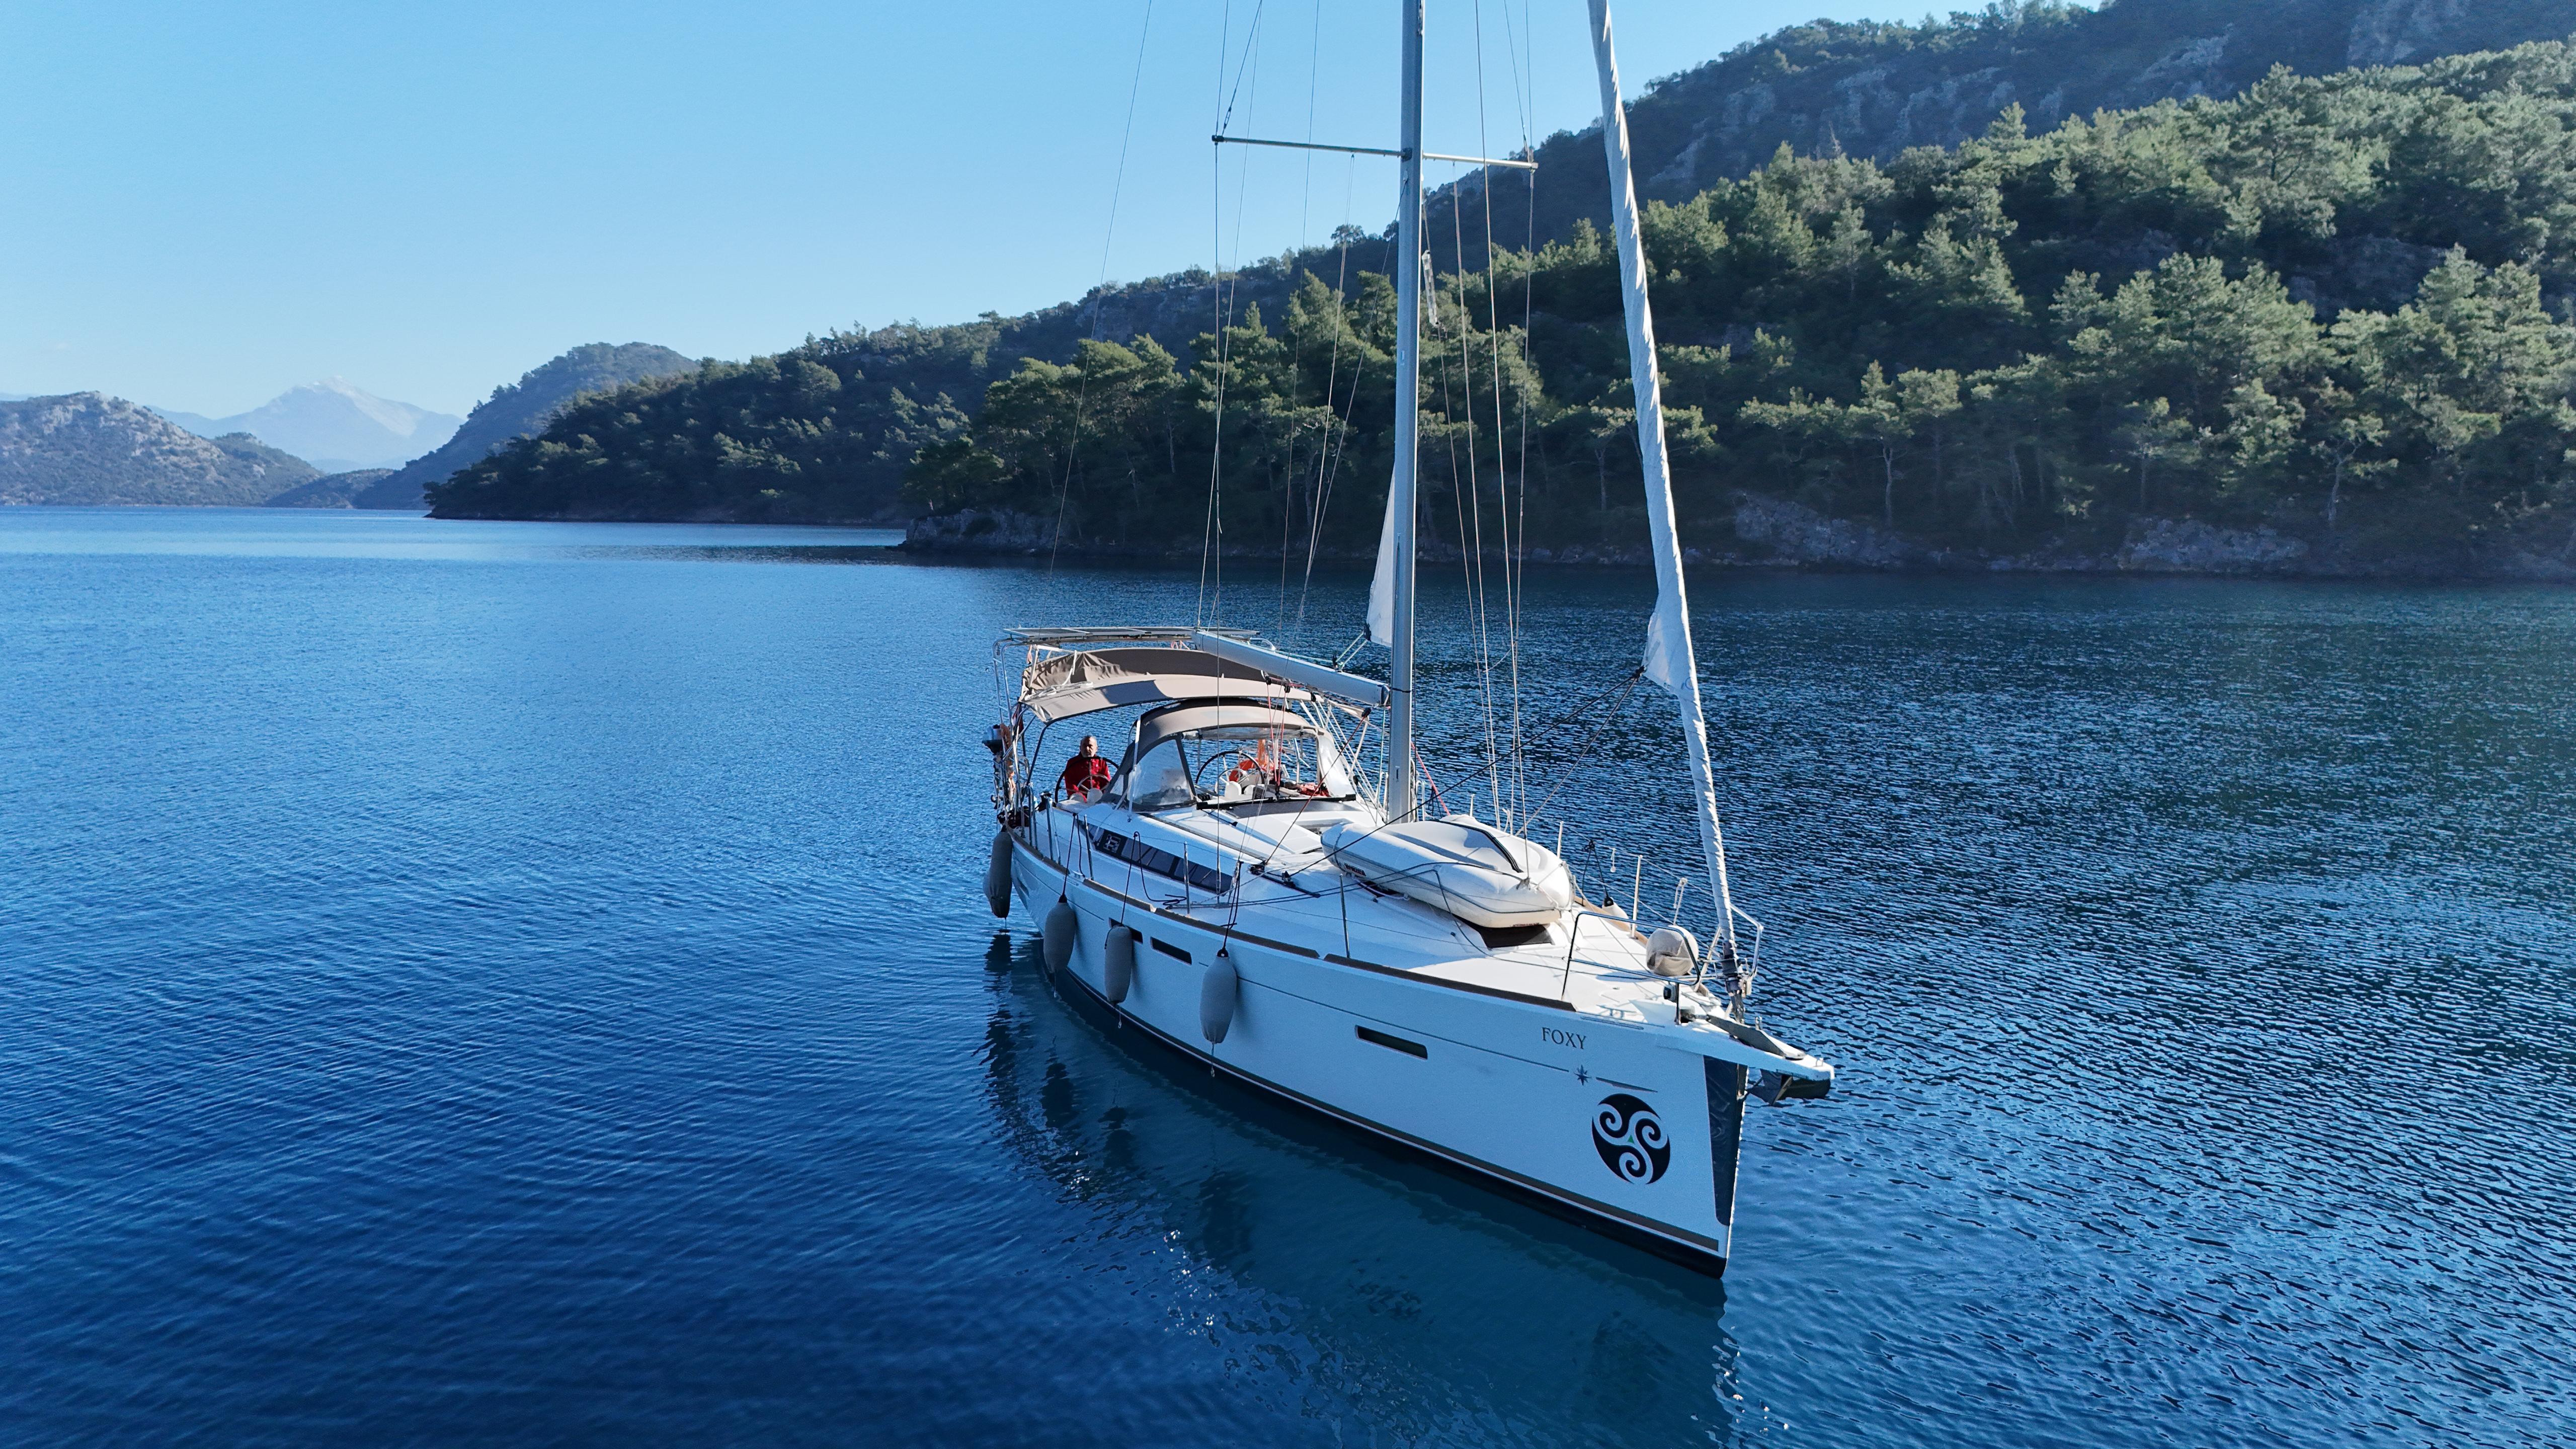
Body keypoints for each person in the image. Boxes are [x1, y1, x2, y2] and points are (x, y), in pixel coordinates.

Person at [1058, 735, 1114, 802]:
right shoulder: (1072, 763)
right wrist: (1083, 800)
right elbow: (1071, 785)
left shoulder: (1101, 763)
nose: (1087, 749)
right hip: (1079, 801)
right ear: (1080, 748)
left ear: (1096, 749)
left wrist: (1104, 798)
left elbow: (1107, 783)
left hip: (1099, 799)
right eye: (1084, 746)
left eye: (1090, 746)